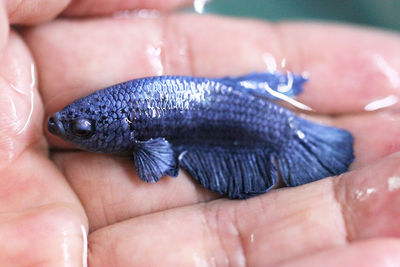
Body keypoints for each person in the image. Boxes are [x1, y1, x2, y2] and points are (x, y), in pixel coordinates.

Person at [1, 0, 400, 266]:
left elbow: (154, 159)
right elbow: (156, 157)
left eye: (82, 127)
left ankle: (296, 143)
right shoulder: (113, 111)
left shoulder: (129, 121)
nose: (60, 125)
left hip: (224, 106)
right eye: (79, 126)